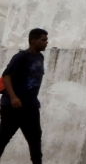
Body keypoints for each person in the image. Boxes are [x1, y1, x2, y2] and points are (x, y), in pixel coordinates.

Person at [0, 28, 48, 164]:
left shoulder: (40, 57)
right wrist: (14, 97)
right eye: (43, 40)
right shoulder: (21, 57)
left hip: (31, 106)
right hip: (13, 106)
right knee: (4, 138)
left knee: (35, 141)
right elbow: (6, 77)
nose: (46, 43)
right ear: (33, 41)